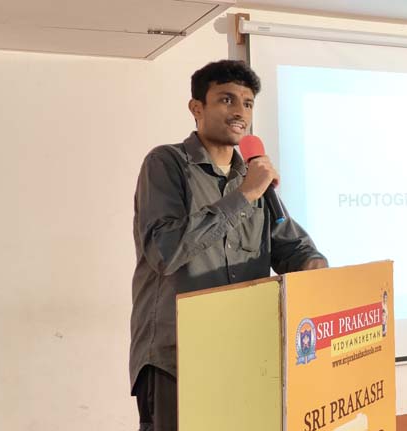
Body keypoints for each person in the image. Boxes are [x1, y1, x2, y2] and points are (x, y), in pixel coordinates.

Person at [129, 59, 328, 431]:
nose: (240, 111)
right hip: (177, 358)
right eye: (226, 99)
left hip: (242, 354)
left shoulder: (253, 177)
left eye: (247, 103)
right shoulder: (167, 163)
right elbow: (165, 252)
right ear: (197, 108)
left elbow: (292, 247)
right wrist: (244, 195)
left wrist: (313, 267)